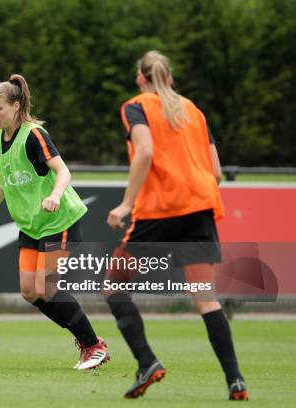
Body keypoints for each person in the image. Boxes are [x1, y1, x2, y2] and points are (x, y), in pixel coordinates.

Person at [105, 51, 248, 399]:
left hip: (160, 209)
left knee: (114, 286)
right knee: (206, 299)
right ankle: (236, 381)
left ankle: (147, 362)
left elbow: (145, 152)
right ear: (169, 78)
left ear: (141, 78)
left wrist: (125, 204)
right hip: (200, 206)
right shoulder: (194, 111)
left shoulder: (136, 106)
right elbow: (215, 172)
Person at [0, 74, 109, 370]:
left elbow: (64, 171)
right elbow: (0, 184)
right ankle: (87, 340)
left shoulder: (34, 135)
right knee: (30, 291)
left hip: (60, 219)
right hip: (31, 225)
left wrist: (55, 195)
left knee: (49, 288)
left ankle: (93, 345)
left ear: (16, 107)